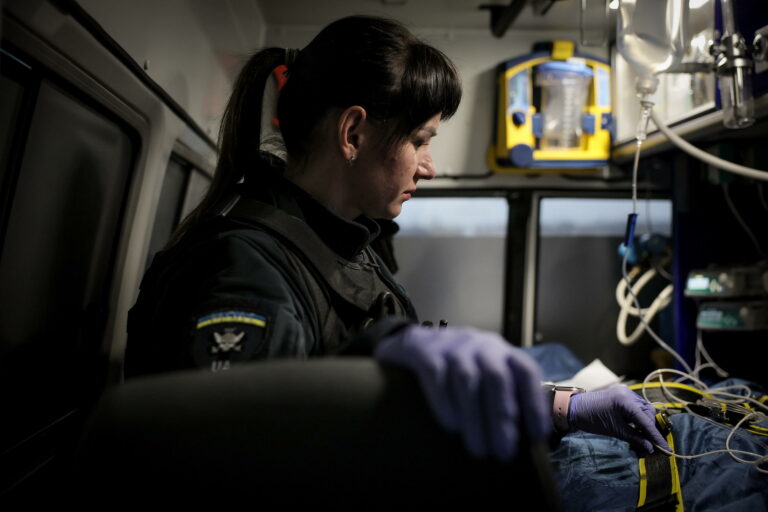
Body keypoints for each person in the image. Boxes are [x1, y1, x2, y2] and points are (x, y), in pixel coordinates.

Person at [125, 15, 669, 463]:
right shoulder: (247, 275)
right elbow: (259, 471)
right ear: (354, 133)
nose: (429, 167)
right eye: (419, 140)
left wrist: (560, 407)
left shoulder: (341, 237)